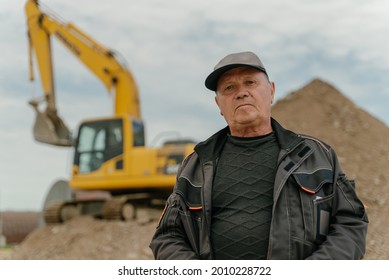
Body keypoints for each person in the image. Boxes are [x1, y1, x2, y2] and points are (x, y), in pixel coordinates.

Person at [149, 51, 368, 260]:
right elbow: (168, 236)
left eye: (250, 83)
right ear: (219, 105)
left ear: (271, 91)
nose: (241, 92)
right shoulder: (194, 166)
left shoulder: (317, 155)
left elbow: (351, 223)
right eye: (229, 87)